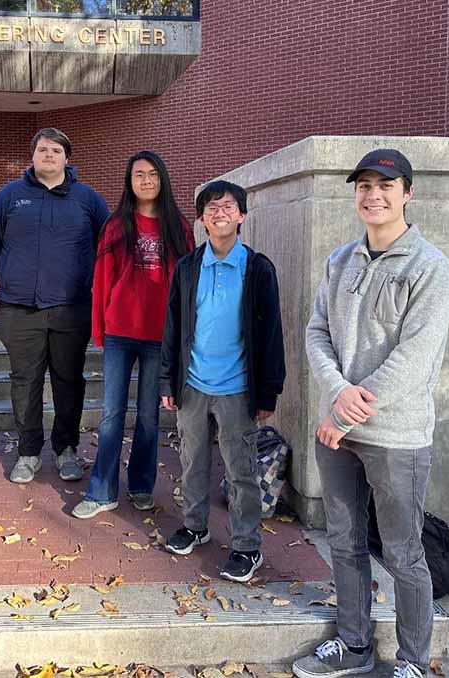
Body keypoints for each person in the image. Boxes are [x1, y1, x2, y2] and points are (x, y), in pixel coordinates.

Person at [293, 149, 449, 678]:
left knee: (405, 553)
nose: (373, 195)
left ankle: (411, 661)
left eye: (385, 185)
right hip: (335, 430)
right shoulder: (340, 261)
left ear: (408, 192)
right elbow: (317, 331)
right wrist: (336, 392)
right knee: (343, 542)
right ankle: (354, 645)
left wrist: (344, 412)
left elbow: (414, 358)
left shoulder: (431, 268)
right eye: (364, 185)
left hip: (396, 436)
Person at [159, 179, 285, 583]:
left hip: (238, 389)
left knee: (241, 470)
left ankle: (247, 546)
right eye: (210, 208)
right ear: (201, 220)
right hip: (193, 385)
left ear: (242, 216)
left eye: (228, 206)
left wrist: (269, 390)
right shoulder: (188, 267)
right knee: (192, 462)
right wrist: (169, 381)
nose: (219, 213)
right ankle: (195, 525)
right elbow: (173, 328)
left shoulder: (258, 268)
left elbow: (271, 335)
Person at [0, 128, 109, 484]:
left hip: (71, 308)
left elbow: (106, 243)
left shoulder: (88, 199)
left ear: (67, 158)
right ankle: (28, 452)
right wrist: (16, 272)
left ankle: (67, 449)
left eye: (56, 150)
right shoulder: (10, 195)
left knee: (69, 381)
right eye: (42, 149)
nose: (48, 155)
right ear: (33, 156)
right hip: (20, 308)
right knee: (25, 381)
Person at [72, 151, 194, 519]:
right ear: (129, 181)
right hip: (121, 332)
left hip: (160, 335)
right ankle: (102, 490)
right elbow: (102, 281)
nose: (145, 181)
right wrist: (100, 328)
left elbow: (188, 288)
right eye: (138, 174)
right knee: (111, 413)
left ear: (162, 180)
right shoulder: (115, 225)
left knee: (148, 416)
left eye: (152, 174)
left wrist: (184, 336)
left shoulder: (179, 227)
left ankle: (141, 486)